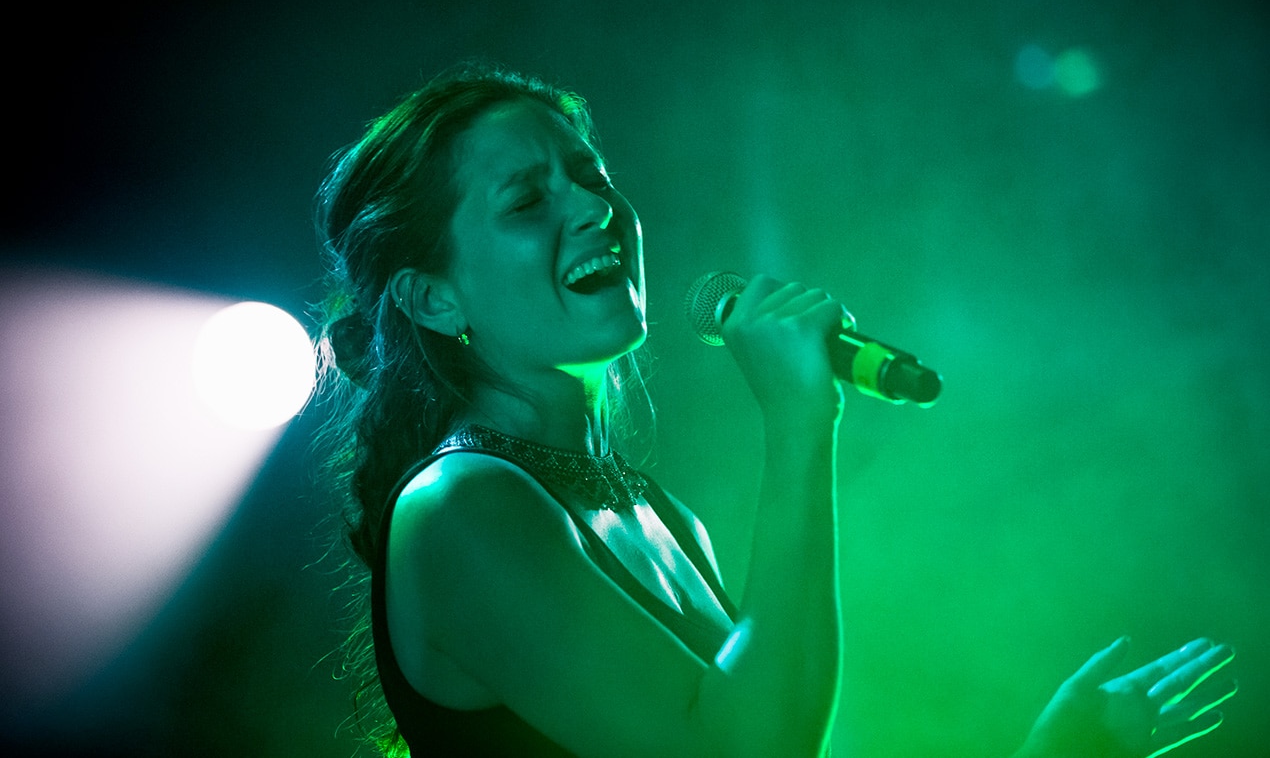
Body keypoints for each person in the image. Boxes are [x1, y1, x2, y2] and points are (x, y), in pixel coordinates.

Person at [314, 64, 1236, 757]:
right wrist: (801, 422)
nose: (595, 208)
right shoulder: (459, 509)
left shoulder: (657, 514)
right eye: (527, 200)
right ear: (435, 299)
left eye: (590, 173)